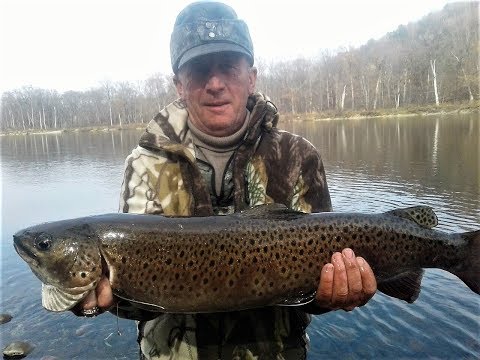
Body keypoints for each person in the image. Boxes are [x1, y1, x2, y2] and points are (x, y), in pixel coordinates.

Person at [78, 2, 377, 359]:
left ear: (251, 77)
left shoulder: (298, 156)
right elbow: (142, 298)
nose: (215, 83)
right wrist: (104, 301)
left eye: (228, 67)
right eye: (200, 69)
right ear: (179, 84)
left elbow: (314, 286)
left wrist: (336, 294)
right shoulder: (145, 165)